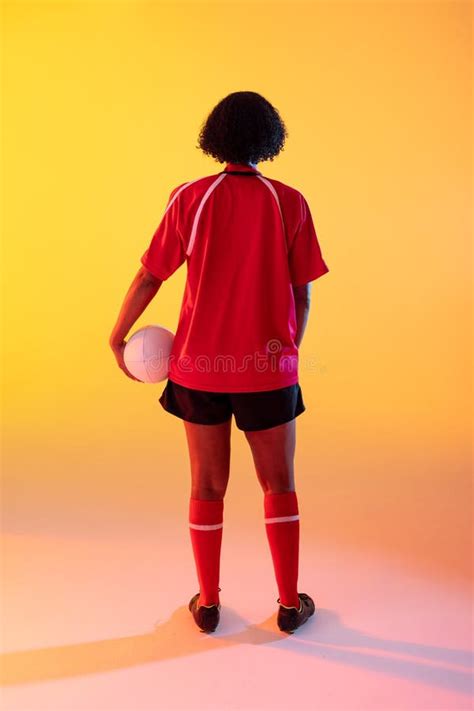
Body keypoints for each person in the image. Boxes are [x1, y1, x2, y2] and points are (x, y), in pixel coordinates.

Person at [109, 91, 329, 634]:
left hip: (197, 370)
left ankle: (207, 604)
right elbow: (302, 296)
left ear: (215, 137)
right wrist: (286, 356)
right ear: (270, 139)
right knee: (279, 483)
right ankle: (286, 605)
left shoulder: (190, 198)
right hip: (266, 370)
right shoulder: (289, 202)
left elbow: (149, 276)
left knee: (206, 485)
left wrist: (118, 336)